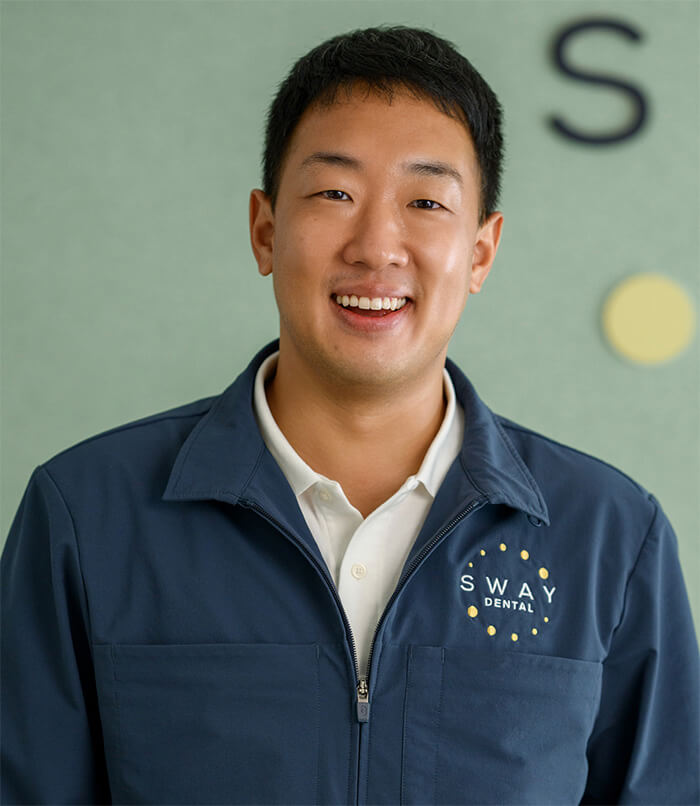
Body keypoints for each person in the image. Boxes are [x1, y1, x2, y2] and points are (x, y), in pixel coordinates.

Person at [1, 25, 698, 806]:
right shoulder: (86, 514)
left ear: (480, 253)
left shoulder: (610, 536)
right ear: (266, 230)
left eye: (426, 201)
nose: (376, 247)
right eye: (335, 194)